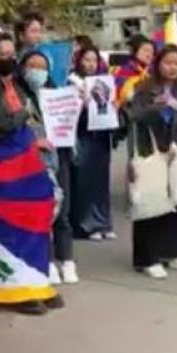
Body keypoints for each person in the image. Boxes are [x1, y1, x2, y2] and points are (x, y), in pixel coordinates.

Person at [0, 32, 64, 314]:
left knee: (38, 218)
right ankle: (16, 291)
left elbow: (27, 121)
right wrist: (22, 113)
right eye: (2, 55)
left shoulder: (18, 84)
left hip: (25, 161)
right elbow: (1, 124)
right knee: (13, 226)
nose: (9, 59)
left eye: (12, 54)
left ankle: (37, 282)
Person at [126, 45, 177, 279]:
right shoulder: (143, 88)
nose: (172, 68)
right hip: (149, 151)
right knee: (150, 203)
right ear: (158, 63)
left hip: (175, 152)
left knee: (176, 202)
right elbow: (133, 117)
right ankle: (148, 258)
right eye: (168, 63)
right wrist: (155, 106)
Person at [19, 49, 79, 285]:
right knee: (43, 211)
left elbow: (72, 121)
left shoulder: (57, 93)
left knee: (63, 211)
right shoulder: (18, 97)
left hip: (59, 156)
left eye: (42, 67)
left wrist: (78, 103)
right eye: (32, 66)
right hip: (33, 161)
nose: (37, 72)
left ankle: (67, 259)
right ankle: (47, 259)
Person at [69, 45, 116, 240]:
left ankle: (102, 223)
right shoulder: (72, 81)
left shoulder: (103, 81)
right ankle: (85, 225)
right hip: (82, 135)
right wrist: (81, 103)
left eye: (94, 60)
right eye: (86, 60)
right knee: (83, 182)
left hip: (101, 135)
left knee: (101, 182)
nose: (90, 64)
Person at [113, 36, 154, 104]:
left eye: (152, 52)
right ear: (135, 51)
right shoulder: (123, 71)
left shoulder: (154, 72)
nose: (150, 55)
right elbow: (115, 94)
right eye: (146, 50)